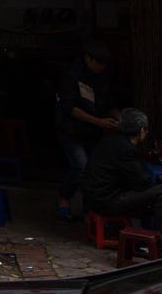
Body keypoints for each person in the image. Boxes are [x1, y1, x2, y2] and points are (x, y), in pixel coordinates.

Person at [83, 108, 162, 255]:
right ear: (142, 130)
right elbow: (141, 182)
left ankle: (146, 237)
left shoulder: (110, 141)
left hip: (96, 196)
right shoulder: (125, 148)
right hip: (106, 200)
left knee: (154, 196)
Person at [55, 39, 118, 219]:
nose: (101, 67)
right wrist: (98, 121)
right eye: (98, 63)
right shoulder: (72, 76)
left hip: (93, 132)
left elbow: (109, 103)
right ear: (88, 59)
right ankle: (64, 197)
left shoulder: (103, 77)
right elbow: (70, 108)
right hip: (71, 130)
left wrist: (120, 118)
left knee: (94, 168)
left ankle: (88, 207)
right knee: (80, 166)